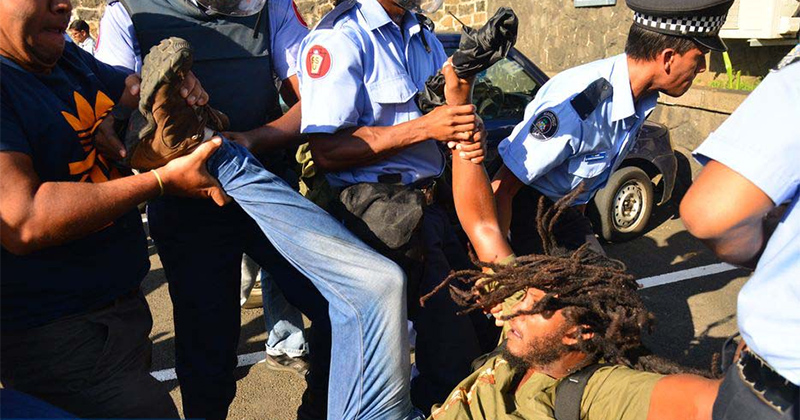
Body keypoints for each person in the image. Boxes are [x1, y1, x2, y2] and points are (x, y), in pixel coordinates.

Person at [94, 2, 418, 419]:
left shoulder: (273, 6)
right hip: (187, 206)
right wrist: (155, 112)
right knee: (207, 354)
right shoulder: (129, 12)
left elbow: (314, 99)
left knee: (341, 309)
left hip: (268, 191)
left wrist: (251, 139)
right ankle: (194, 137)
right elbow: (112, 117)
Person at [0, 0, 224, 417]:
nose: (63, 4)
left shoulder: (64, 58)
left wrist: (168, 93)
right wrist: (158, 181)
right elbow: (23, 218)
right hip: (57, 334)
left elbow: (130, 89)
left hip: (117, 314)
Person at [297, 0, 496, 412]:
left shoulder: (421, 35)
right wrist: (427, 127)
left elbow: (442, 114)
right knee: (346, 360)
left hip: (429, 208)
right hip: (371, 215)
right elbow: (327, 150)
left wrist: (465, 124)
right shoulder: (340, 39)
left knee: (465, 346)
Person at [491, 0, 734, 256]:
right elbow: (502, 188)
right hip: (525, 212)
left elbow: (583, 187)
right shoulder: (581, 105)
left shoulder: (638, 98)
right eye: (699, 57)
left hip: (567, 212)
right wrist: (503, 265)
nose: (703, 68)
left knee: (609, 288)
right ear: (668, 59)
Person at [680, 44, 800, 420]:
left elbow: (712, 213)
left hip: (780, 387)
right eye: (698, 59)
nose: (702, 70)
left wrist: (767, 261)